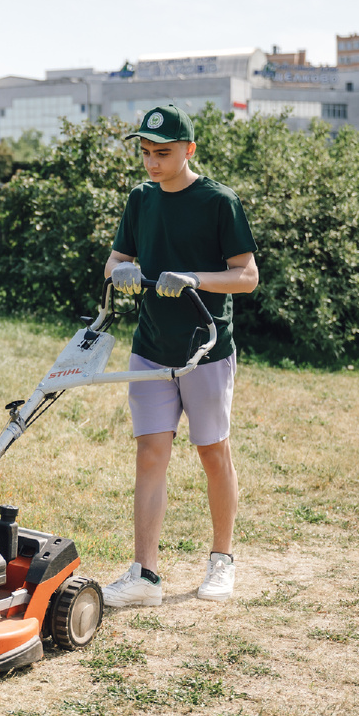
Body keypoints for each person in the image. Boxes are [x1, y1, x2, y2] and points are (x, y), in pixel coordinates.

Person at [100, 104, 258, 607]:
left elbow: (247, 276)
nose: (151, 163)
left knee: (213, 453)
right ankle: (145, 576)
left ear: (189, 150)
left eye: (162, 153)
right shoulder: (140, 199)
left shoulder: (219, 201)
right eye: (145, 153)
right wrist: (118, 271)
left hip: (204, 350)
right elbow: (116, 259)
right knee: (150, 454)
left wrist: (194, 278)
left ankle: (222, 562)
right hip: (150, 349)